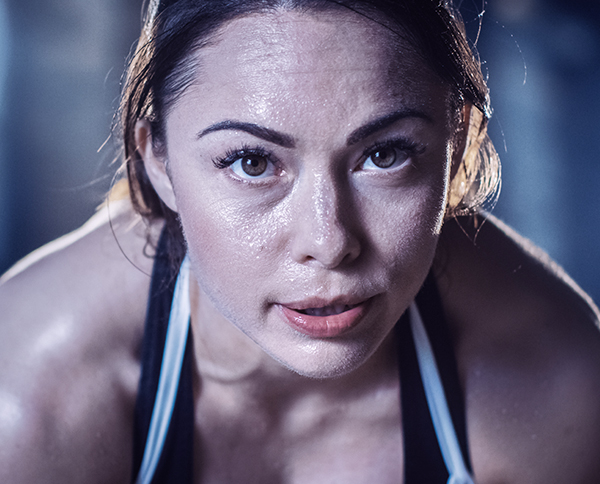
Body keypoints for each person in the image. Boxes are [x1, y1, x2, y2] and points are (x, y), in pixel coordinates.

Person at [1, 0, 600, 482]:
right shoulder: (29, 400)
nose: (329, 240)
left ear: (457, 138)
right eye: (252, 162)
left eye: (384, 154)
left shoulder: (555, 378)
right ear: (156, 158)